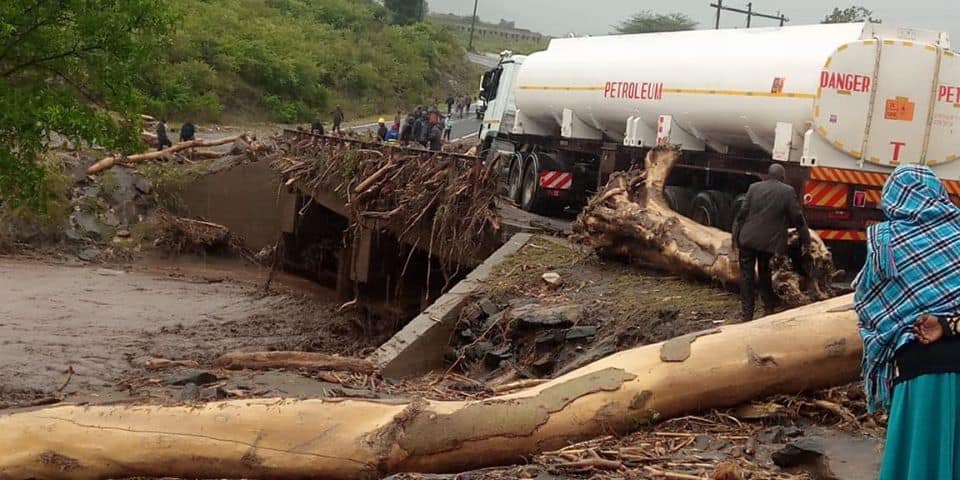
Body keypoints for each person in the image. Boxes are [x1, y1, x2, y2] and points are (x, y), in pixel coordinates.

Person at [853, 165, 960, 479]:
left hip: (918, 371)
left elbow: (868, 304)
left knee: (920, 460)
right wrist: (948, 322)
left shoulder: (886, 242)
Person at [731, 163, 810, 322]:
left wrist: (735, 237)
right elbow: (798, 219)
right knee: (765, 273)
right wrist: (805, 240)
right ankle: (768, 308)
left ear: (768, 175)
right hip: (769, 243)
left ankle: (747, 315)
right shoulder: (787, 191)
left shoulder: (754, 188)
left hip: (747, 239)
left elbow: (742, 214)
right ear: (782, 177)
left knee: (746, 277)